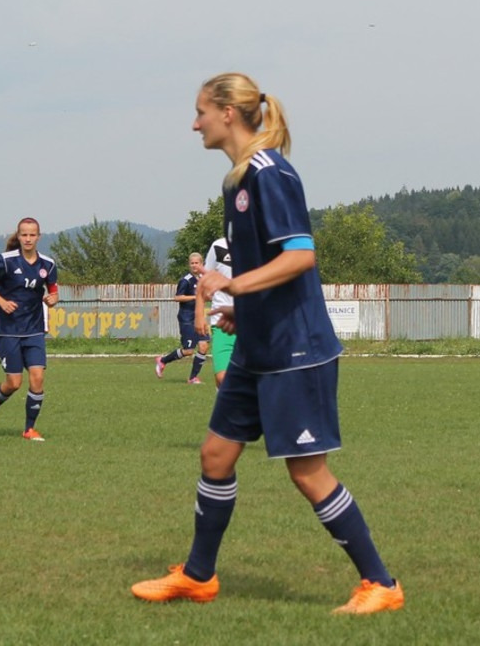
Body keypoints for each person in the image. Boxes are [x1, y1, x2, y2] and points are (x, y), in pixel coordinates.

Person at [131, 73, 403, 614]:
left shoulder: (269, 173)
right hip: (259, 347)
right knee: (215, 455)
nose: (194, 124)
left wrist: (232, 285)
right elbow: (267, 267)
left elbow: (300, 255)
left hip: (295, 351)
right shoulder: (236, 181)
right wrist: (244, 309)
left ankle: (381, 584)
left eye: (200, 112)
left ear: (228, 113)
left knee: (307, 472)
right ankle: (199, 577)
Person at [0, 217, 59, 441]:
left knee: (37, 378)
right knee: (14, 383)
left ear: (39, 237)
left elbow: (53, 291)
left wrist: (53, 299)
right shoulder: (6, 261)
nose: (28, 239)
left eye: (32, 235)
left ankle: (29, 429)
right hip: (7, 330)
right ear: (19, 236)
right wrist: (2, 302)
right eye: (24, 234)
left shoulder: (48, 264)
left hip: (34, 330)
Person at [155, 253, 210, 383]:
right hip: (187, 318)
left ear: (201, 264)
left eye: (197, 263)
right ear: (189, 265)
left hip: (199, 318)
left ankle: (193, 377)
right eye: (192, 263)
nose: (194, 265)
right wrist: (195, 297)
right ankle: (162, 360)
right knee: (188, 351)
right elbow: (177, 297)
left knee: (203, 347)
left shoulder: (203, 279)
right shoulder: (186, 280)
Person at [195, 237, 234, 388]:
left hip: (252, 321)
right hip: (221, 321)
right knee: (222, 376)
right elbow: (204, 280)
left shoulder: (261, 243)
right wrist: (199, 314)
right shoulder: (219, 246)